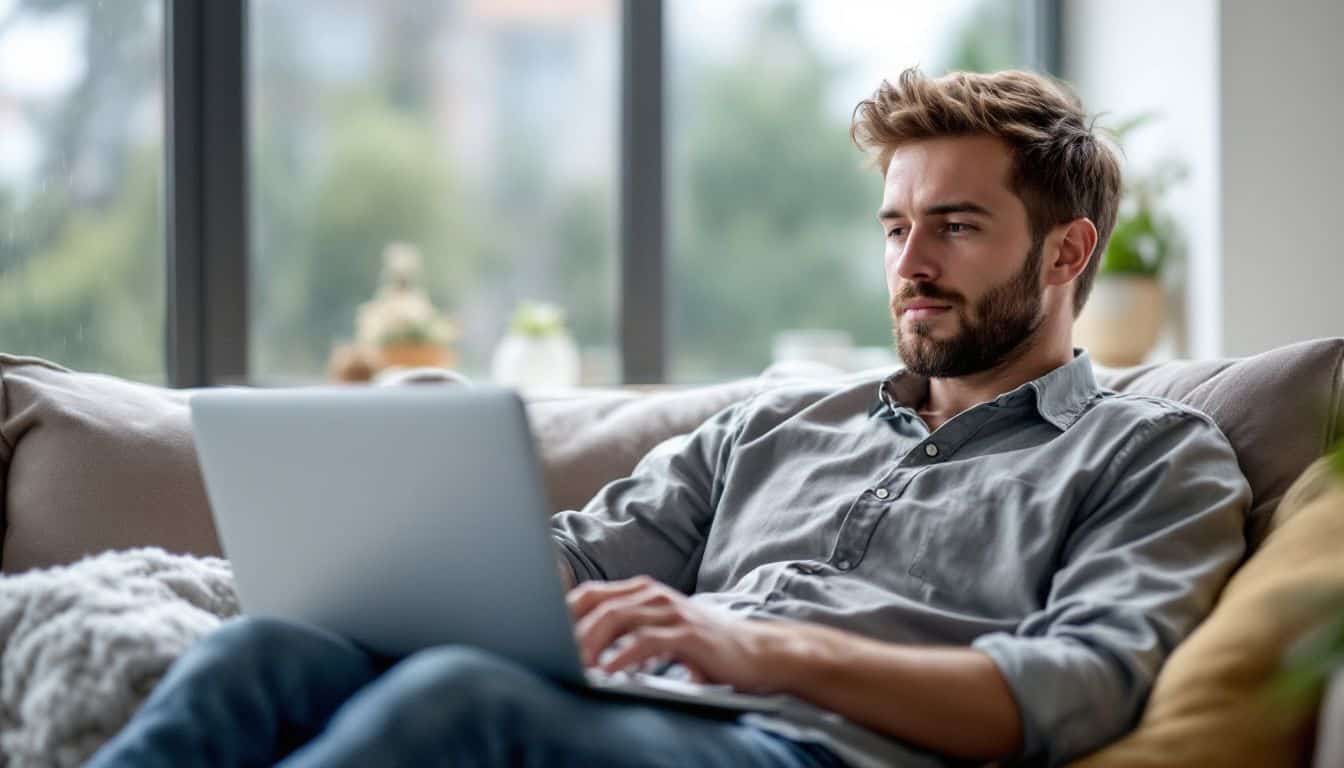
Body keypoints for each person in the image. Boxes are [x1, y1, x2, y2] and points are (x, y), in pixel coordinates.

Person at [88, 68, 1249, 768]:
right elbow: (569, 557)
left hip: (806, 750)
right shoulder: (775, 427)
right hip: (637, 710)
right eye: (895, 228)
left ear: (1067, 251)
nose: (910, 263)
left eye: (955, 226)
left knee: (461, 705)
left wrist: (751, 645)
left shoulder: (1154, 456)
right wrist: (396, 564)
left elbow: (1073, 688)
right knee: (266, 653)